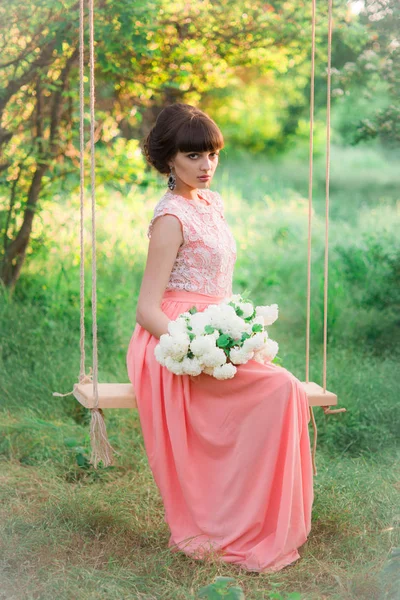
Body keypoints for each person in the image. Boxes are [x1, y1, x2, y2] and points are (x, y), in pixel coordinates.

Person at [126, 103, 314, 573]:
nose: (206, 166)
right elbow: (147, 308)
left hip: (217, 330)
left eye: (212, 155)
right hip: (174, 340)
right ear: (169, 159)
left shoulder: (212, 203)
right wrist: (194, 348)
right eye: (193, 156)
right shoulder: (170, 217)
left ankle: (253, 516)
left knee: (284, 390)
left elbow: (218, 285)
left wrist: (233, 331)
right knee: (283, 388)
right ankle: (226, 522)